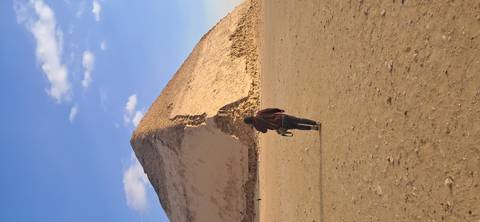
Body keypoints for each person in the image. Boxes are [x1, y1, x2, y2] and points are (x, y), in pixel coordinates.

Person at [243, 108, 319, 136]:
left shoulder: (257, 126)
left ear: (250, 123)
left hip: (281, 126)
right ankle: (315, 123)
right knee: (299, 120)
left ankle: (313, 128)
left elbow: (265, 131)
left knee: (297, 126)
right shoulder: (259, 113)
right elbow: (270, 110)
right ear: (250, 116)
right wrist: (279, 110)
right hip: (282, 117)